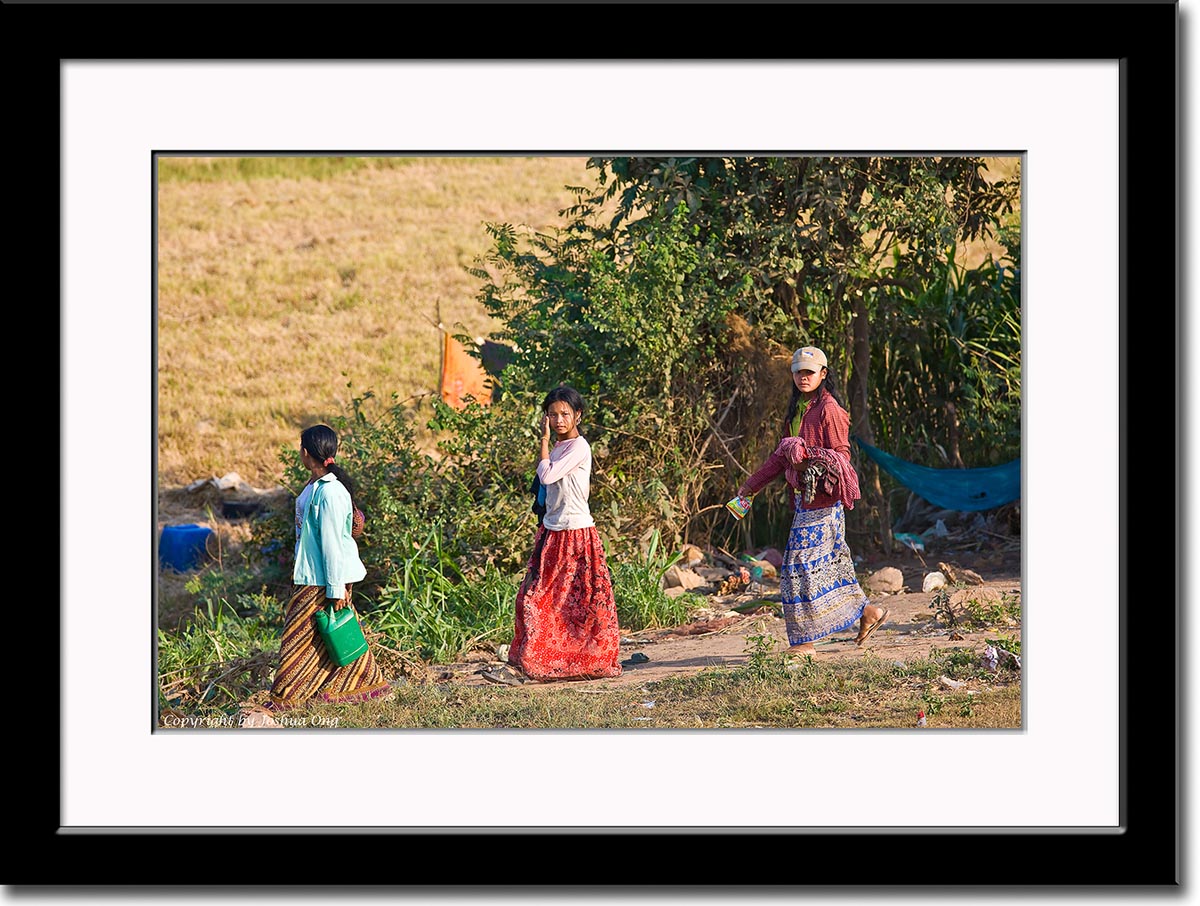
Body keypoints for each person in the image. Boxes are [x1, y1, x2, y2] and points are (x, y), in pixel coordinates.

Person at [735, 346, 889, 655]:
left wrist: (809, 455)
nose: (803, 377)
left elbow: (842, 455)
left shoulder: (829, 409)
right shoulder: (798, 410)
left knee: (796, 569)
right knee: (826, 569)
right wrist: (749, 488)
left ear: (823, 374)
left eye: (810, 372)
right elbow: (780, 460)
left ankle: (804, 643)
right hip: (803, 502)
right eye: (798, 372)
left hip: (824, 503)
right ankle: (868, 613)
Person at [500, 386, 622, 683]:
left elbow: (547, 475)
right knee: (538, 599)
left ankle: (583, 661)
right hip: (554, 531)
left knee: (581, 605)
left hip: (577, 533)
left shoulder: (579, 447)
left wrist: (542, 440)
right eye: (552, 415)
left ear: (578, 415)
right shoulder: (558, 448)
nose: (558, 420)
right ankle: (540, 661)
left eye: (565, 414)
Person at [267, 424, 392, 710]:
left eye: (301, 448)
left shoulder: (331, 492)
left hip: (323, 579)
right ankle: (356, 685)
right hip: (311, 575)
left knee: (301, 636)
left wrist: (335, 589)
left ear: (306, 452)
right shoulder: (315, 487)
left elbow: (333, 543)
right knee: (325, 634)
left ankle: (288, 696)